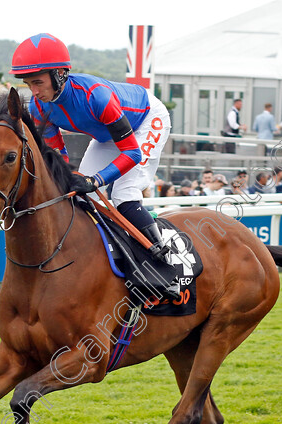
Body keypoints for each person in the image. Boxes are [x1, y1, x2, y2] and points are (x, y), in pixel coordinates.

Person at [11, 33, 178, 296]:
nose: (34, 91)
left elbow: (132, 154)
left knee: (124, 196)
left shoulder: (96, 96)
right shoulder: (39, 107)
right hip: (108, 135)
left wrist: (96, 180)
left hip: (146, 122)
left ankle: (165, 267)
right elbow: (58, 160)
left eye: (38, 83)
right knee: (79, 197)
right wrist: (72, 180)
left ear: (59, 75)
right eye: (28, 84)